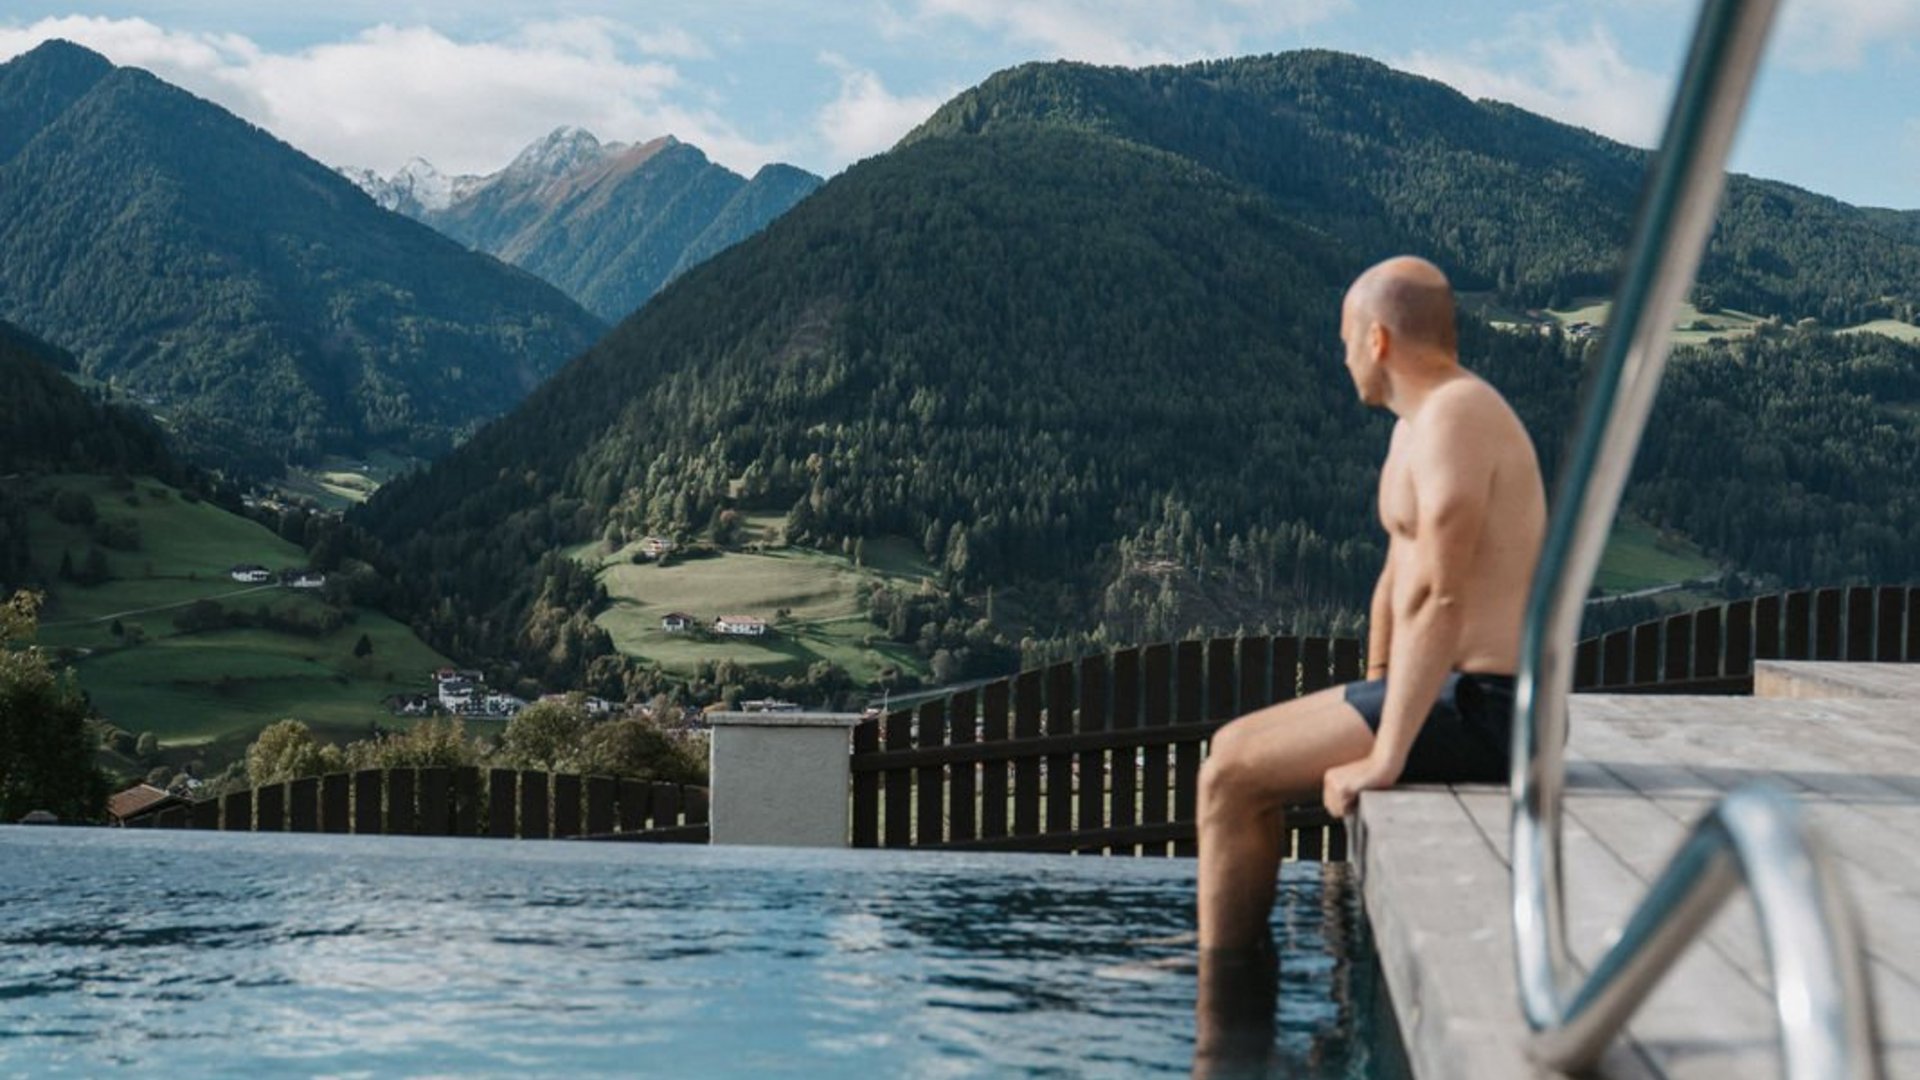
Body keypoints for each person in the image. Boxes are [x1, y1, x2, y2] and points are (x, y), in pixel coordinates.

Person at [1194, 254, 1548, 963]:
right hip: (1441, 696)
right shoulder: (1413, 426)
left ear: (1378, 339)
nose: (1345, 355)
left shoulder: (1458, 415)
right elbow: (1396, 576)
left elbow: (1440, 595)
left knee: (1229, 780)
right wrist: (1381, 683)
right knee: (1231, 748)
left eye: (1345, 339)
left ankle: (1226, 987)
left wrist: (1385, 756)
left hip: (1491, 710)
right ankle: (1227, 945)